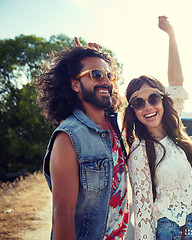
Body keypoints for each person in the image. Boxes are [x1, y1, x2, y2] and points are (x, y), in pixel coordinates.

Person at [122, 16, 192, 240]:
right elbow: (142, 215)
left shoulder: (173, 129)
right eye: (138, 103)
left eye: (153, 98)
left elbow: (177, 83)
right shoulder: (140, 153)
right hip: (171, 234)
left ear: (163, 100)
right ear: (133, 111)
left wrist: (171, 35)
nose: (148, 107)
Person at [36, 41, 129, 239]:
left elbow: (107, 91)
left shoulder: (114, 126)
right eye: (96, 75)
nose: (105, 81)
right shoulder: (68, 137)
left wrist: (99, 56)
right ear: (75, 84)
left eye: (109, 76)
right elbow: (62, 216)